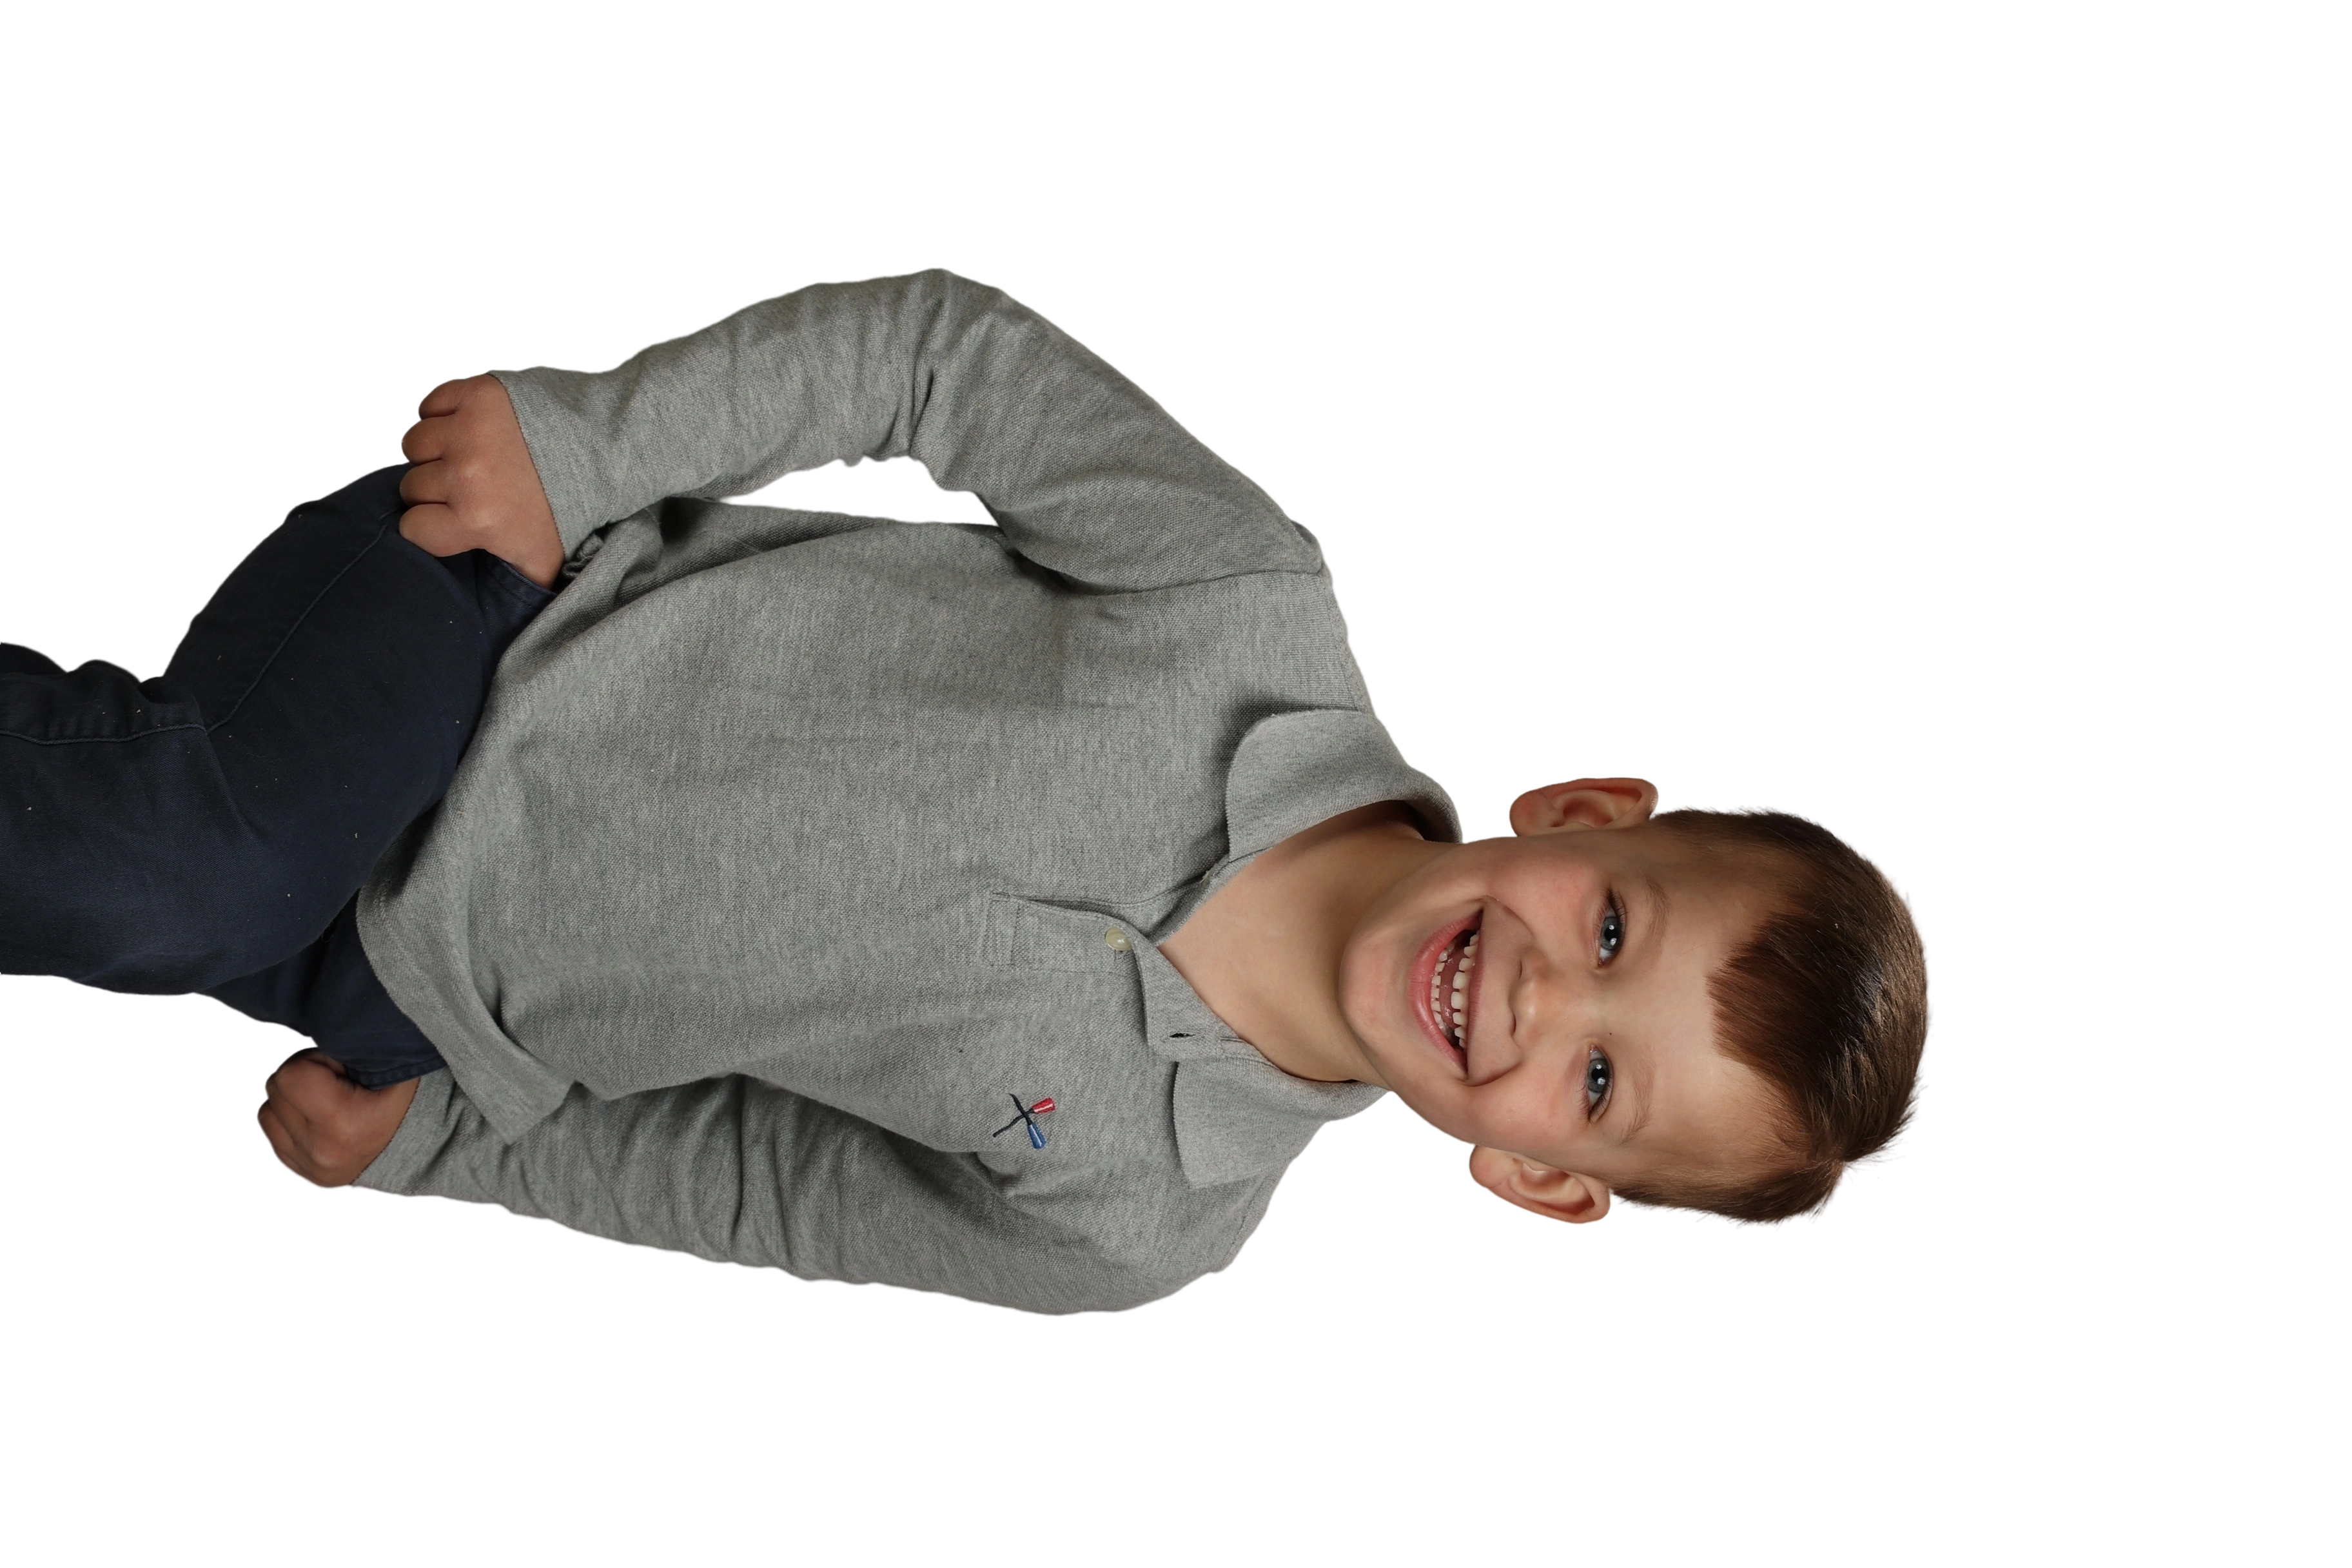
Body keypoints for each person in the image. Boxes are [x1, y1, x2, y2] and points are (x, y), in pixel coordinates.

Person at [1, 266, 1936, 1317]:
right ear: (1587, 820)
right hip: (500, 609)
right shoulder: (1240, 612)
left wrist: (448, 1149)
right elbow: (949, 359)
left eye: (1596, 1082)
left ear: (1540, 1181)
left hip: (415, 987)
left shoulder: (1141, 1220)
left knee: (151, 881)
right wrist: (590, 445)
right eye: (1612, 931)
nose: (1536, 999)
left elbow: (759, 1182)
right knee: (175, 872)